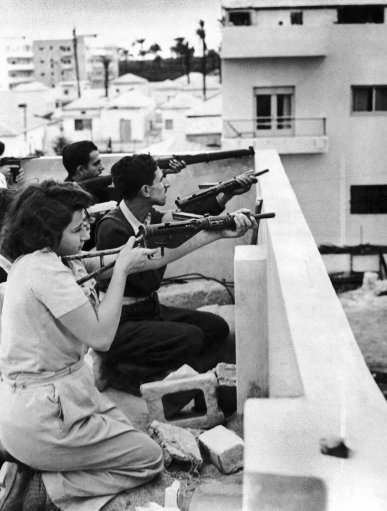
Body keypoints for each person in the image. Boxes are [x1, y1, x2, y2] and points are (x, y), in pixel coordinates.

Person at [0, 180, 164, 511]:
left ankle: (34, 467)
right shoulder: (44, 271)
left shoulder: (41, 261)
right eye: (77, 227)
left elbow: (138, 258)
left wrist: (210, 235)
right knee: (149, 458)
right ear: (47, 232)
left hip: (51, 405)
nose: (86, 229)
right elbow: (102, 336)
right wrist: (121, 273)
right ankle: (43, 490)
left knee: (128, 433)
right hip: (46, 416)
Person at [95, 154, 256, 400]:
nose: (167, 183)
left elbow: (181, 218)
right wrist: (186, 239)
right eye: (162, 179)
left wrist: (226, 194)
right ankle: (135, 378)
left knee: (216, 328)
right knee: (191, 338)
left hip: (148, 310)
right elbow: (149, 279)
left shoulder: (147, 216)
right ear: (147, 190)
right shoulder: (113, 229)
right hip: (122, 324)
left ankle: (189, 383)